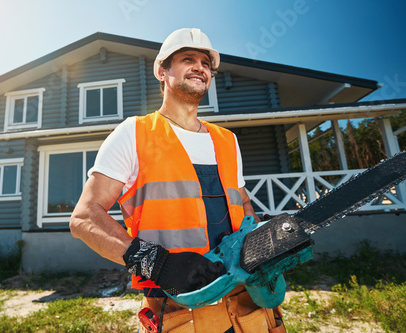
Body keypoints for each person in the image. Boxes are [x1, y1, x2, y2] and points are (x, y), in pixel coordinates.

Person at [70, 28, 285, 333]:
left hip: (248, 306)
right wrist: (156, 263)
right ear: (162, 71)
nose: (200, 67)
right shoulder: (134, 133)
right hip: (179, 310)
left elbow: (243, 201)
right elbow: (84, 218)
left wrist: (260, 243)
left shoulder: (227, 140)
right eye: (188, 59)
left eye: (206, 63)